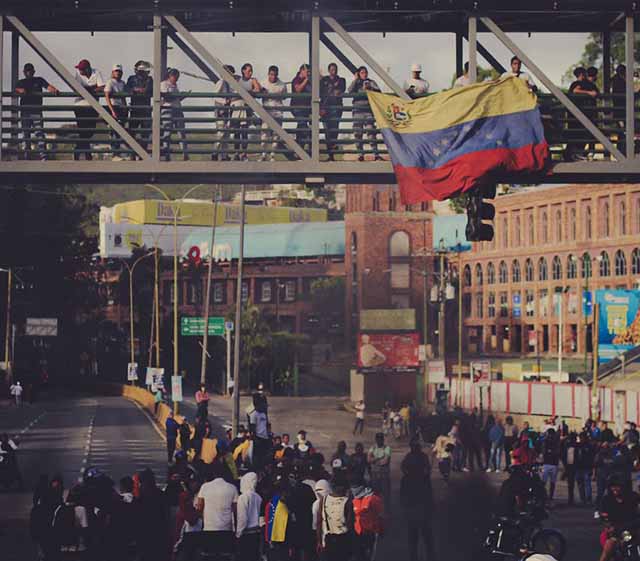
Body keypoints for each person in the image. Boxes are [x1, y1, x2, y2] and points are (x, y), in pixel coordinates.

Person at [15, 63, 58, 161]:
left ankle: (43, 156)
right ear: (24, 72)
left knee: (39, 133)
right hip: (25, 112)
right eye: (27, 71)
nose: (29, 72)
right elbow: (16, 89)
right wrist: (19, 90)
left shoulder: (39, 80)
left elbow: (48, 86)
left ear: (33, 71)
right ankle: (27, 156)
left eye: (30, 70)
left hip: (36, 111)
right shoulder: (21, 82)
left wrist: (54, 90)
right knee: (26, 135)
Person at [400, 439, 435, 561]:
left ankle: (415, 557)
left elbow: (403, 493)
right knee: (425, 536)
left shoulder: (409, 463)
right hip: (421, 506)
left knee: (415, 536)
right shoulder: (422, 460)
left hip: (414, 507)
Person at [599, 475, 640, 561]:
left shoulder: (633, 497)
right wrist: (609, 527)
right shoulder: (606, 500)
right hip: (617, 531)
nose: (615, 488)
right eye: (612, 486)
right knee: (610, 543)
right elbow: (604, 518)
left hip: (632, 528)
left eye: (618, 486)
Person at [347, 66, 382, 161]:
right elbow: (349, 91)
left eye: (365, 72)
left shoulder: (371, 82)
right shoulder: (356, 83)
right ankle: (360, 155)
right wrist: (355, 80)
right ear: (359, 73)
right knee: (357, 132)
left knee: (371, 132)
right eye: (362, 72)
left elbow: (379, 92)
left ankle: (376, 154)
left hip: (368, 111)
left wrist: (369, 88)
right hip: (357, 111)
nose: (364, 74)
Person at [73, 59, 104, 160]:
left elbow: (102, 87)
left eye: (81, 69)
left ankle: (78, 149)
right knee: (83, 131)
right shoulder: (78, 74)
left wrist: (88, 89)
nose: (80, 71)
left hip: (93, 106)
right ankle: (87, 154)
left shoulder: (96, 72)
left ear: (87, 69)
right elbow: (77, 89)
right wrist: (93, 88)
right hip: (80, 105)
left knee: (90, 131)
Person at [318, 473, 354, 561]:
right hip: (343, 539)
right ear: (343, 487)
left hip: (329, 539)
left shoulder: (323, 500)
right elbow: (350, 524)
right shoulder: (347, 502)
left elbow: (319, 522)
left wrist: (319, 541)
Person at [197, 461, 238, 531]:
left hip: (209, 528)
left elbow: (200, 507)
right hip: (226, 529)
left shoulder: (205, 487)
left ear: (213, 473)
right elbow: (235, 511)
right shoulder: (232, 488)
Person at [351, 475, 384, 561]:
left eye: (355, 486)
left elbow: (380, 515)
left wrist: (381, 530)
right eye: (352, 486)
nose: (353, 489)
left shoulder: (373, 499)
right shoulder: (351, 500)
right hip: (357, 534)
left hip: (371, 533)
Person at [232, 63, 261, 161]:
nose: (250, 72)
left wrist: (246, 93)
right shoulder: (237, 79)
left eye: (251, 70)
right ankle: (236, 153)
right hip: (236, 106)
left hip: (246, 107)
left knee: (244, 131)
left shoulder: (253, 80)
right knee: (236, 131)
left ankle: (243, 153)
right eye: (249, 70)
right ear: (243, 71)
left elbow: (257, 90)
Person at [160, 68, 189, 161]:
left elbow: (175, 99)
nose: (176, 78)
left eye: (177, 77)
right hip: (167, 109)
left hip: (177, 109)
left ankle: (185, 154)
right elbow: (166, 97)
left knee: (182, 132)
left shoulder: (175, 85)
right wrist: (177, 96)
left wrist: (182, 96)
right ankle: (166, 155)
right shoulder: (163, 84)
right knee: (167, 132)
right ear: (170, 76)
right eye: (175, 76)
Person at [260, 65, 287, 162]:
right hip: (266, 112)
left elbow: (285, 97)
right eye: (271, 74)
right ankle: (263, 154)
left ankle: (272, 155)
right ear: (268, 74)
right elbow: (258, 94)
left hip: (278, 112)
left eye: (275, 75)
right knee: (264, 134)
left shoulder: (282, 85)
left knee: (276, 135)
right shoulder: (263, 83)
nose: (273, 77)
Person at [320, 62, 346, 160]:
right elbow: (320, 92)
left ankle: (332, 152)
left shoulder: (341, 80)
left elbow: (340, 91)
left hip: (336, 107)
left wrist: (335, 91)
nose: (333, 71)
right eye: (331, 70)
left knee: (334, 129)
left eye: (334, 69)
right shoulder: (323, 80)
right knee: (327, 131)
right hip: (325, 108)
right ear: (329, 70)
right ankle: (330, 155)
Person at [126, 60, 153, 154]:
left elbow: (148, 90)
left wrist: (138, 90)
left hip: (145, 110)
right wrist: (135, 89)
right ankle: (133, 154)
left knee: (145, 134)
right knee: (131, 132)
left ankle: (142, 153)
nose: (141, 72)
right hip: (135, 109)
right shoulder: (131, 78)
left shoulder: (150, 79)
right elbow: (127, 89)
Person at [104, 63, 129, 160]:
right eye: (116, 71)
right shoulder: (110, 82)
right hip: (114, 107)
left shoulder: (122, 83)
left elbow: (123, 97)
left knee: (120, 132)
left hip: (121, 108)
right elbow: (107, 96)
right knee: (114, 132)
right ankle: (115, 154)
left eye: (119, 71)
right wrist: (112, 111)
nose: (118, 73)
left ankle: (118, 154)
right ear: (112, 72)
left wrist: (126, 107)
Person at [236, 472, 262, 560]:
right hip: (256, 533)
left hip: (246, 535)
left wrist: (238, 534)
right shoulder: (258, 497)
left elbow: (242, 518)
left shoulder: (243, 497)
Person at [367, 433, 391, 514]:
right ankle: (375, 511)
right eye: (378, 439)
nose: (380, 440)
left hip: (384, 475)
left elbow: (385, 461)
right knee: (375, 494)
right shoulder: (373, 447)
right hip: (375, 474)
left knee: (385, 495)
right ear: (376, 439)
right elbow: (368, 460)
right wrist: (379, 458)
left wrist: (374, 460)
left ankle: (386, 512)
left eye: (381, 439)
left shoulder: (387, 448)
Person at [291, 64, 312, 150]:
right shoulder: (296, 79)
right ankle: (310, 138)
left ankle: (300, 150)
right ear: (301, 71)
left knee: (300, 128)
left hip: (306, 109)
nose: (308, 73)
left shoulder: (310, 81)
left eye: (309, 72)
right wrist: (306, 79)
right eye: (307, 72)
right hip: (297, 108)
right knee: (303, 125)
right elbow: (298, 89)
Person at [542, 428, 561, 503]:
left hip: (552, 464)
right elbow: (544, 451)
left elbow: (557, 452)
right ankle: (544, 495)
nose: (549, 436)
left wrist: (550, 451)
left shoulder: (556, 442)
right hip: (548, 463)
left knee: (552, 482)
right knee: (544, 482)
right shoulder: (546, 441)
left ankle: (550, 496)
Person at [562, 432, 579, 506]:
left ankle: (571, 499)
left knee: (572, 483)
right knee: (571, 483)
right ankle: (571, 499)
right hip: (569, 466)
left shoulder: (574, 447)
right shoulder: (568, 447)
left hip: (573, 466)